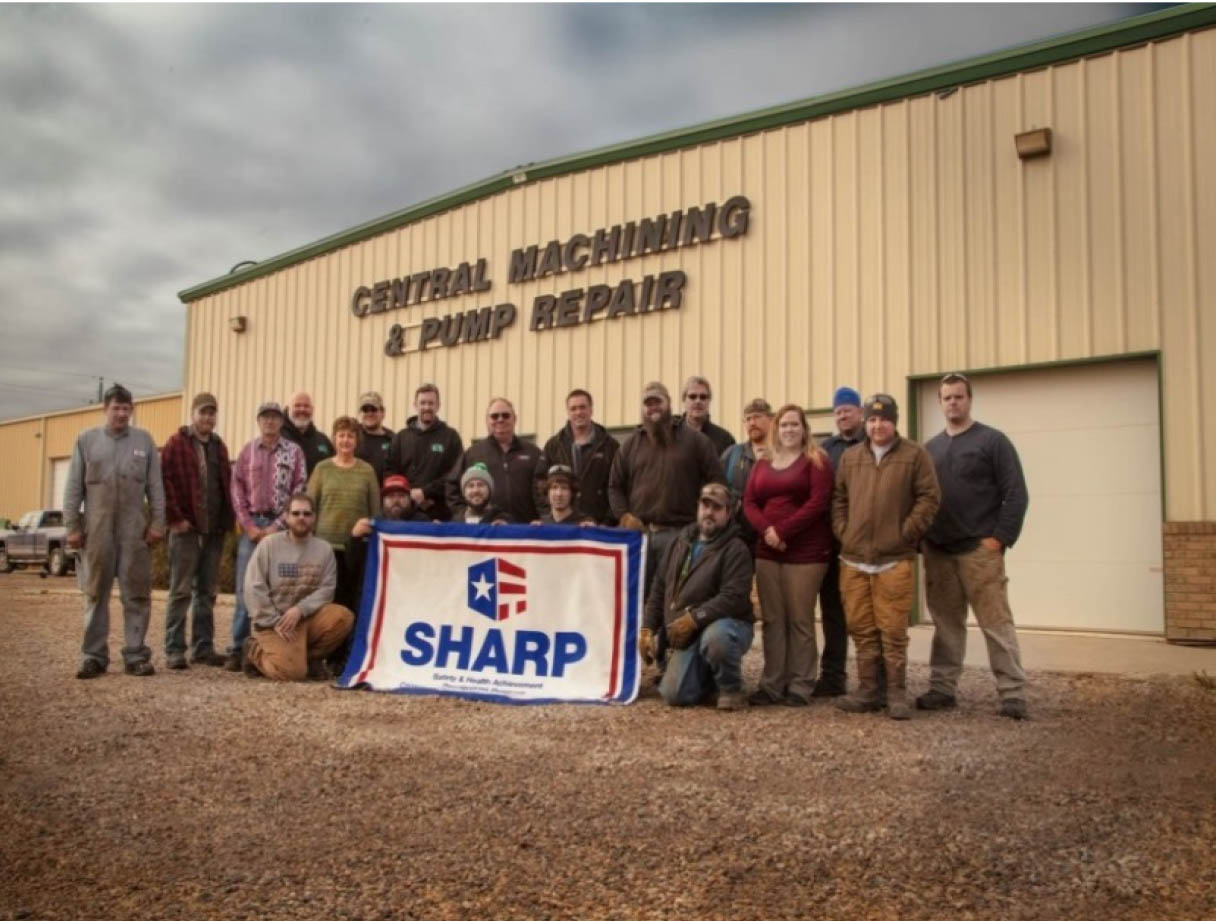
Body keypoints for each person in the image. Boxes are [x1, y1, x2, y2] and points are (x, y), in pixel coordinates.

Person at [918, 373, 1031, 720]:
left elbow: (1016, 493)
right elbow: (920, 498)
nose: (953, 402)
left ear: (969, 400)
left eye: (959, 397)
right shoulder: (930, 449)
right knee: (946, 624)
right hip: (939, 551)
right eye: (947, 398)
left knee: (996, 623)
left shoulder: (992, 441)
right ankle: (942, 689)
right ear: (940, 403)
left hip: (979, 551)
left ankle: (1012, 693)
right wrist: (923, 541)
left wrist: (1000, 538)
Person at [831, 394, 940, 719]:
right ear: (866, 422)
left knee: (893, 630)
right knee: (862, 627)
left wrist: (905, 533)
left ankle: (896, 694)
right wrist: (844, 532)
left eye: (884, 420)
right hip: (854, 559)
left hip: (894, 559)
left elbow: (929, 498)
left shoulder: (915, 455)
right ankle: (868, 690)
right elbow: (839, 498)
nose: (878, 426)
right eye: (873, 420)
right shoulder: (851, 458)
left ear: (895, 422)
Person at [65, 384, 166, 678]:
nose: (121, 414)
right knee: (95, 594)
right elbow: (73, 487)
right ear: (104, 409)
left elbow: (155, 487)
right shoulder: (86, 441)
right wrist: (72, 526)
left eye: (126, 408)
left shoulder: (144, 441)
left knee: (137, 594)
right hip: (96, 531)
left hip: (134, 532)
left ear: (131, 410)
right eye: (116, 408)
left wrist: (157, 523)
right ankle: (93, 656)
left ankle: (136, 655)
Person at [743, 405, 835, 706]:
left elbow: (818, 502)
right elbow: (749, 502)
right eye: (784, 425)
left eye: (795, 424)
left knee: (799, 619)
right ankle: (772, 684)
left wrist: (783, 531)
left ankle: (800, 684)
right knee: (772, 620)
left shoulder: (816, 460)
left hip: (806, 553)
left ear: (804, 428)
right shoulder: (763, 462)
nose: (789, 430)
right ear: (776, 429)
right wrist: (768, 531)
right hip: (767, 552)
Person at [640, 483, 755, 710]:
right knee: (674, 695)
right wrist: (648, 627)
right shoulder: (679, 542)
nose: (709, 512)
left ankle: (732, 689)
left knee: (717, 639)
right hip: (687, 632)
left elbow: (733, 598)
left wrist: (694, 618)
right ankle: (709, 678)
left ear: (728, 513)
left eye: (717, 508)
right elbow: (660, 587)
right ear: (697, 507)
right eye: (705, 505)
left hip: (725, 624)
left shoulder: (736, 549)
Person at [608, 381, 724, 595]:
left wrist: (702, 524)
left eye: (658, 402)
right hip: (640, 537)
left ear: (669, 403)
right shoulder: (630, 445)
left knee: (677, 597)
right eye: (648, 403)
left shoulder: (696, 441)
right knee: (639, 597)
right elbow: (615, 486)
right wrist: (624, 516)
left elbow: (717, 484)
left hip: (681, 535)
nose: (653, 408)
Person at [228, 401, 308, 670]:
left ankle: (274, 649)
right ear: (258, 421)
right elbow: (236, 490)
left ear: (282, 422)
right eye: (265, 417)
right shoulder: (247, 451)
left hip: (282, 529)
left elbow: (300, 489)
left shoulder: (294, 452)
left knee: (281, 592)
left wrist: (277, 525)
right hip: (251, 527)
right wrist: (248, 525)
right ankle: (238, 649)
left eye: (274, 417)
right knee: (245, 590)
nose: (269, 422)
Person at [241, 493, 354, 681]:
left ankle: (308, 660)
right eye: (296, 513)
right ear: (286, 517)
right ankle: (254, 651)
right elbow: (254, 588)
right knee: (292, 674)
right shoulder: (269, 545)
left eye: (307, 514)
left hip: (305, 618)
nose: (301, 518)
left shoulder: (324, 549)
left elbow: (327, 590)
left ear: (314, 517)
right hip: (274, 623)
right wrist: (274, 621)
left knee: (344, 617)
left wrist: (300, 609)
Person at [159, 392, 234, 669]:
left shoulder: (219, 446)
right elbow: (163, 482)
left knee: (207, 592)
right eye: (203, 412)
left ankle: (203, 647)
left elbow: (225, 485)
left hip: (213, 530)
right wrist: (175, 519)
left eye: (212, 413)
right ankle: (174, 649)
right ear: (193, 414)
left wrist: (226, 521)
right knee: (180, 591)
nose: (207, 418)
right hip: (185, 529)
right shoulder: (176, 444)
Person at [814, 386, 867, 697]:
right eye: (838, 411)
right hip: (832, 545)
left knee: (864, 615)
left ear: (860, 412)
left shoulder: (874, 442)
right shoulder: (825, 450)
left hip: (865, 545)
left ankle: (874, 679)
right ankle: (833, 676)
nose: (843, 415)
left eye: (848, 409)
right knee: (833, 613)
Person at [306, 415, 379, 611]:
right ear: (334, 439)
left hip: (356, 549)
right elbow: (310, 506)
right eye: (341, 435)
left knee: (351, 600)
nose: (345, 440)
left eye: (350, 436)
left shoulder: (367, 471)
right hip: (325, 546)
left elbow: (375, 511)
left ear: (357, 441)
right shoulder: (322, 469)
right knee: (326, 601)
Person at [448, 397, 545, 524]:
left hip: (526, 528)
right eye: (494, 416)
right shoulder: (473, 453)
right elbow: (452, 487)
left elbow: (544, 489)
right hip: (487, 530)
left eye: (505, 415)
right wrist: (463, 515)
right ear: (487, 421)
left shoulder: (533, 453)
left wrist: (544, 518)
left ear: (514, 419)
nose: (500, 419)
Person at [346, 474, 431, 610]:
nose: (396, 501)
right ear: (383, 501)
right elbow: (353, 565)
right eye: (390, 497)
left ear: (410, 499)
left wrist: (440, 532)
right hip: (381, 592)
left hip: (413, 591)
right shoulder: (371, 525)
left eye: (401, 496)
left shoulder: (423, 522)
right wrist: (355, 538)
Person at [540, 388, 620, 524]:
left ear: (591, 410)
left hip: (598, 525)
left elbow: (618, 486)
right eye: (573, 409)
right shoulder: (554, 445)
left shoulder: (610, 446)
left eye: (582, 407)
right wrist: (548, 517)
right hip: (562, 526)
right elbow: (539, 482)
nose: (578, 412)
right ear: (568, 412)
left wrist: (607, 521)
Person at [387, 383, 464, 522]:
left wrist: (426, 492)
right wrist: (408, 493)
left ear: (438, 406)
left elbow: (455, 474)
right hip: (406, 513)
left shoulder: (451, 437)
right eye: (422, 403)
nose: (427, 407)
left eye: (431, 403)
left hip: (440, 513)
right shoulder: (401, 438)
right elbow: (390, 471)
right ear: (415, 405)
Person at [721, 397, 774, 550]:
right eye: (748, 419)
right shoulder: (732, 454)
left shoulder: (782, 454)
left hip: (773, 536)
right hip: (738, 538)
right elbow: (718, 490)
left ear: (771, 420)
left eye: (757, 417)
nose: (752, 423)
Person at [676, 375, 736, 455]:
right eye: (692, 397)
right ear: (684, 400)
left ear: (709, 401)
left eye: (703, 397)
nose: (698, 401)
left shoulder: (725, 439)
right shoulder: (670, 434)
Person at [281, 391, 334, 476]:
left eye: (306, 406)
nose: (302, 409)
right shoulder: (277, 438)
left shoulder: (323, 441)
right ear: (288, 409)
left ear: (312, 410)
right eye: (297, 405)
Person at [354, 390, 395, 484]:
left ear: (383, 412)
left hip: (381, 491)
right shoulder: (352, 436)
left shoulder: (393, 440)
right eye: (365, 410)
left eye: (373, 409)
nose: (369, 414)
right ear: (360, 413)